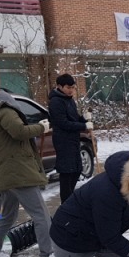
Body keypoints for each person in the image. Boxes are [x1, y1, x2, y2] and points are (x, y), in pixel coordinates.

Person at [0, 91, 53, 257]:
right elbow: (19, 132)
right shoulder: (5, 112)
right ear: (10, 103)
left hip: (3, 176)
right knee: (40, 214)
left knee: (7, 217)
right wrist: (42, 128)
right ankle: (48, 254)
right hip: (17, 173)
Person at [48, 73, 92, 203]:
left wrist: (84, 118)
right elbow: (63, 123)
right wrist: (83, 125)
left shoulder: (69, 100)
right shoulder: (56, 102)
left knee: (77, 170)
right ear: (59, 86)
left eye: (73, 87)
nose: (71, 90)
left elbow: (74, 119)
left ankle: (70, 200)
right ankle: (66, 203)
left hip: (73, 140)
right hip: (63, 141)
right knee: (67, 172)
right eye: (68, 87)